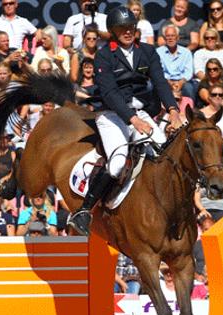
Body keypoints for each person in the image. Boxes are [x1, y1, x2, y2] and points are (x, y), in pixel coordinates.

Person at [67, 6, 183, 236]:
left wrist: (173, 110)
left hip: (140, 113)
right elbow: (109, 93)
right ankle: (84, 211)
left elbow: (160, 83)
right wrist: (133, 121)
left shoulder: (148, 52)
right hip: (111, 115)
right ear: (113, 31)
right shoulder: (104, 56)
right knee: (119, 161)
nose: (128, 32)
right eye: (122, 28)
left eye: (131, 27)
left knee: (164, 152)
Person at [157, 24, 195, 100]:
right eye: (168, 36)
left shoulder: (186, 52)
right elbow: (159, 71)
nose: (170, 38)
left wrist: (181, 82)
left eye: (173, 35)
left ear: (178, 38)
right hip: (165, 80)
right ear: (164, 38)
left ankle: (190, 110)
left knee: (189, 88)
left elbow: (189, 72)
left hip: (183, 81)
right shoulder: (158, 52)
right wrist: (169, 82)